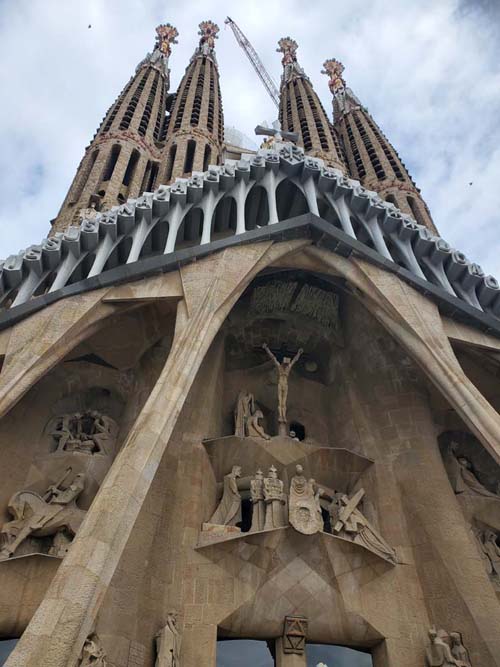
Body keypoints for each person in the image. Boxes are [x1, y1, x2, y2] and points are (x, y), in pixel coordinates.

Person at [262, 343, 303, 424]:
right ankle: (281, 416)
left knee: (284, 403)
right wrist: (266, 348)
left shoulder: (288, 368)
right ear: (283, 363)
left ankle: (283, 416)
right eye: (285, 364)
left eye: (287, 364)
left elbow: (294, 360)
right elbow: (273, 358)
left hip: (285, 385)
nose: (286, 365)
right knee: (280, 402)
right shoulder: (279, 367)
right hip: (280, 385)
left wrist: (299, 353)